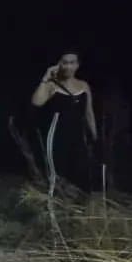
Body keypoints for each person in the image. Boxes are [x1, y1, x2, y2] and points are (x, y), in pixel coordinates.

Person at [30, 51, 98, 193]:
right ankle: (53, 212)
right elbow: (36, 102)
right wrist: (45, 78)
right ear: (59, 64)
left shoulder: (84, 86)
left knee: (81, 175)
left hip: (79, 137)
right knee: (57, 176)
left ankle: (78, 212)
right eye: (64, 62)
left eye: (72, 63)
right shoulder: (52, 85)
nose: (68, 66)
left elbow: (89, 113)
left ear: (77, 65)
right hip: (56, 137)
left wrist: (94, 136)